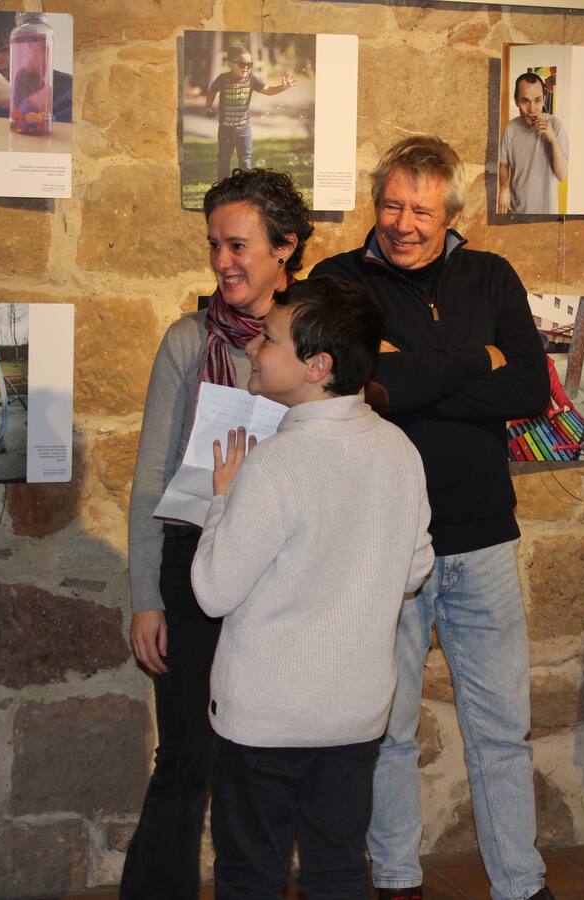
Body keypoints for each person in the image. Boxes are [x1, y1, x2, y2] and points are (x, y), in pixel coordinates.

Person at [310, 136, 554, 900]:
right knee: (388, 731)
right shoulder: (337, 281)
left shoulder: (491, 274)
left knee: (503, 732)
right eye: (391, 204)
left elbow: (531, 392)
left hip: (483, 537)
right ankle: (395, 879)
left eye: (421, 208)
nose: (403, 223)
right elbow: (352, 387)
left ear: (453, 215)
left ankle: (520, 883)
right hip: (381, 544)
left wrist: (404, 375)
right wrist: (473, 358)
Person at [191, 276, 434, 898]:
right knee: (338, 866)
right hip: (353, 712)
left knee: (251, 870)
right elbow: (413, 570)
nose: (252, 347)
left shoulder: (275, 462)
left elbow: (214, 591)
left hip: (265, 717)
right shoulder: (399, 450)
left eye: (269, 339)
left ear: (317, 366)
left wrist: (221, 500)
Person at [122, 168, 314, 900]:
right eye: (215, 246)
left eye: (239, 245)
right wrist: (146, 597)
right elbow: (150, 479)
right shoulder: (185, 342)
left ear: (284, 249)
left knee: (259, 757)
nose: (223, 262)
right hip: (191, 569)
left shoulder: (310, 341)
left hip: (277, 574)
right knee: (187, 759)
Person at [0, 10, 74, 125]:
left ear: (37, 45)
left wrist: (17, 100)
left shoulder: (68, 89)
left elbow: (63, 140)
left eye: (5, 49)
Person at [205, 45, 297, 180]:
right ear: (230, 63)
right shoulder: (223, 79)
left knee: (245, 158)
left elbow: (267, 90)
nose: (246, 67)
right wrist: (208, 106)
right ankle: (222, 186)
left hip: (244, 128)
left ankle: (246, 186)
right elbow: (212, 90)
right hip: (225, 127)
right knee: (224, 158)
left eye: (249, 64)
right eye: (242, 64)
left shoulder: (251, 79)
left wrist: (282, 87)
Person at [497, 72, 568, 215]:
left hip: (548, 213)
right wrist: (504, 188)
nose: (532, 108)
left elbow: (562, 175)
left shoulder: (555, 125)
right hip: (517, 212)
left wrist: (552, 138)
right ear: (516, 101)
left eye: (537, 100)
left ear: (544, 99)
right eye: (525, 101)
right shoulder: (511, 128)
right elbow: (503, 164)